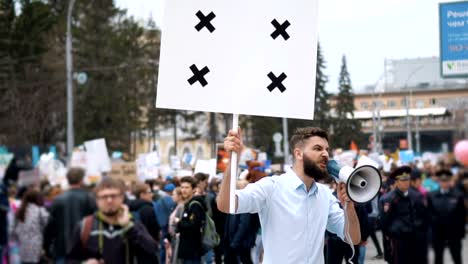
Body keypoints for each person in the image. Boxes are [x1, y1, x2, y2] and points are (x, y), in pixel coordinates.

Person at [218, 127, 361, 263]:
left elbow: (353, 238)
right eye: (318, 148)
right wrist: (233, 162)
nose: (325, 154)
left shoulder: (325, 195)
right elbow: (226, 205)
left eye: (326, 149)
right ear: (298, 153)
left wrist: (348, 206)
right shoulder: (271, 187)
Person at [67, 178, 159, 264]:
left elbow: (152, 251)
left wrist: (129, 227)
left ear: (122, 198)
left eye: (113, 196)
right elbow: (70, 259)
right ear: (97, 200)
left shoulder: (132, 223)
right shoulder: (85, 226)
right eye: (104, 197)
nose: (109, 200)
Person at [43, 168, 96, 264]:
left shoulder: (57, 199)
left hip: (62, 247)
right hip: (85, 248)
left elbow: (50, 226)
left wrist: (46, 247)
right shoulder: (90, 198)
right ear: (81, 180)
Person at [380, 166, 429, 264]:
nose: (406, 182)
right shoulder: (388, 199)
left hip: (416, 238)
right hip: (399, 239)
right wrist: (394, 232)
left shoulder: (417, 196)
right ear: (397, 182)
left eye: (407, 179)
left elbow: (424, 216)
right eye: (403, 180)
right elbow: (385, 222)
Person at [427, 169, 465, 264]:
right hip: (438, 232)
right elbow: (429, 214)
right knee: (438, 258)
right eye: (442, 181)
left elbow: (462, 215)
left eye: (446, 180)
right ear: (439, 181)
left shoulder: (458, 195)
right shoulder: (432, 195)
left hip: (454, 232)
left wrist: (461, 232)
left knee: (457, 257)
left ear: (450, 181)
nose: (444, 183)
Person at [223, 180, 259, 264]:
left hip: (241, 242)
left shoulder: (246, 203)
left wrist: (235, 242)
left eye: (239, 188)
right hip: (233, 240)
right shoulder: (234, 201)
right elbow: (229, 222)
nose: (236, 190)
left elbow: (244, 225)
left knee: (244, 259)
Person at [14, 189, 49, 264]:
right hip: (36, 246)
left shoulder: (20, 210)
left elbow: (15, 229)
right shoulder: (40, 210)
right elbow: (47, 226)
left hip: (22, 245)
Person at [177, 176, 207, 264]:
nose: (184, 190)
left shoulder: (195, 204)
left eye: (187, 187)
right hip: (187, 249)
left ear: (193, 189)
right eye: (182, 187)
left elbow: (194, 225)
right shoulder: (189, 203)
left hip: (192, 249)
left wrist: (179, 222)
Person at [128, 182, 161, 250]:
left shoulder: (130, 207)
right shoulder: (148, 209)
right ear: (142, 194)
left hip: (134, 246)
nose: (151, 194)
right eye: (149, 192)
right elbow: (154, 230)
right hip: (148, 246)